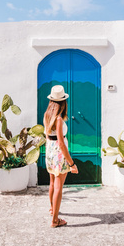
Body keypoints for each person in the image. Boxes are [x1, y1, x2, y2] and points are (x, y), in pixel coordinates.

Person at [43, 85, 78, 228]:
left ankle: (52, 210)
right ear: (63, 103)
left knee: (52, 183)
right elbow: (61, 144)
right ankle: (55, 221)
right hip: (58, 153)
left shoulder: (47, 115)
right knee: (58, 187)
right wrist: (71, 163)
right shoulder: (58, 119)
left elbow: (47, 136)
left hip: (50, 151)